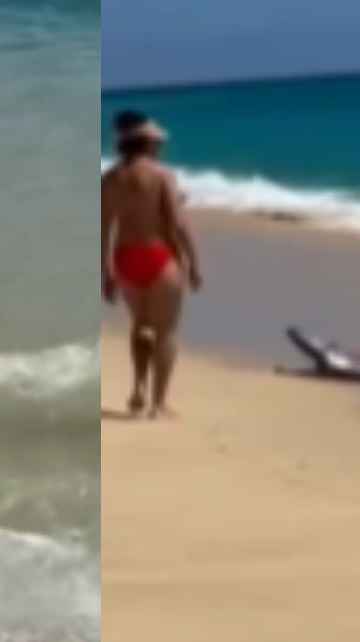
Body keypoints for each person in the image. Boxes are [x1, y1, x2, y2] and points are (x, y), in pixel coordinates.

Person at [101, 109, 199, 419]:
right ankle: (158, 404)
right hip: (158, 257)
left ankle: (138, 387)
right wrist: (194, 262)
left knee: (140, 326)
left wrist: (105, 270)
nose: (160, 146)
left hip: (125, 259)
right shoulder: (161, 175)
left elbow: (104, 226)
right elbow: (177, 224)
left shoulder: (109, 179)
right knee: (166, 331)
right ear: (147, 143)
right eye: (156, 142)